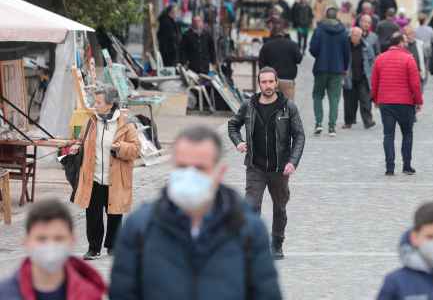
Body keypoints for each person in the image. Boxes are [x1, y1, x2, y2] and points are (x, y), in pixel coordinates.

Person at [110, 126, 282, 299]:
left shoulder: (248, 228)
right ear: (172, 166)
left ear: (220, 171)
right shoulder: (139, 226)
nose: (190, 175)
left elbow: (266, 294)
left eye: (200, 168)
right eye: (183, 166)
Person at [228, 67, 305, 260]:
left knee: (279, 208)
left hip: (280, 167)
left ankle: (277, 243)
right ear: (259, 84)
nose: (268, 86)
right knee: (251, 207)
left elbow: (299, 136)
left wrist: (293, 161)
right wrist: (238, 142)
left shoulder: (288, 107)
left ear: (276, 83)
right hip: (256, 165)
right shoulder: (249, 105)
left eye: (271, 82)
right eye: (264, 82)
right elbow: (232, 125)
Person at [68, 84, 141, 260]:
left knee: (114, 213)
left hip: (116, 178)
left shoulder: (125, 125)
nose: (95, 105)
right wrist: (76, 148)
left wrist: (120, 147)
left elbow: (136, 149)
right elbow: (80, 140)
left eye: (99, 102)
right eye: (95, 101)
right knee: (92, 214)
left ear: (111, 104)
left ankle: (114, 245)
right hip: (92, 177)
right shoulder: (90, 121)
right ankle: (93, 247)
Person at [0, 199, 107, 300]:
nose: (50, 245)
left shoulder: (90, 294)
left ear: (72, 241)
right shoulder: (5, 294)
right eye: (41, 238)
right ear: (26, 242)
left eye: (59, 238)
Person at [371, 32, 423, 176]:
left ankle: (389, 168)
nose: (407, 43)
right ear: (400, 43)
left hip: (386, 103)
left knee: (388, 135)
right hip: (405, 103)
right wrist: (418, 101)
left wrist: (375, 99)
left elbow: (374, 81)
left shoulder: (380, 58)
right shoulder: (409, 59)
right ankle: (406, 165)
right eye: (405, 41)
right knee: (407, 133)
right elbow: (415, 84)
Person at [309, 7, 350, 137]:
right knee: (334, 98)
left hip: (321, 67)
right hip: (337, 69)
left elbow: (312, 49)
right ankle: (332, 127)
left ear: (326, 16)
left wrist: (320, 54)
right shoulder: (343, 32)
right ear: (336, 17)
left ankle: (318, 123)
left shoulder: (319, 30)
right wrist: (345, 68)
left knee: (317, 95)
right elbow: (346, 52)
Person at [259, 23, 303, 101]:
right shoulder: (292, 44)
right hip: (288, 80)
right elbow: (299, 59)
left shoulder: (267, 45)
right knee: (289, 108)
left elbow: (261, 64)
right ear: (283, 32)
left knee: (272, 107)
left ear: (272, 33)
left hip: (272, 81)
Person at [343, 27, 376, 130]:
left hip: (363, 78)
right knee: (349, 102)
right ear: (350, 35)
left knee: (365, 100)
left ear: (360, 36)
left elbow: (372, 61)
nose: (355, 37)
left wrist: (370, 73)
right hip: (349, 78)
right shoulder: (345, 46)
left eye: (358, 35)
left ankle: (367, 120)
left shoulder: (367, 46)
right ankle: (348, 121)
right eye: (353, 35)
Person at [404, 27, 428, 94]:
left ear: (413, 34)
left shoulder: (419, 44)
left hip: (418, 77)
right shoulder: (402, 45)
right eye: (406, 34)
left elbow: (425, 58)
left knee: (418, 97)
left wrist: (423, 70)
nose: (408, 36)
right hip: (405, 77)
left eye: (409, 34)